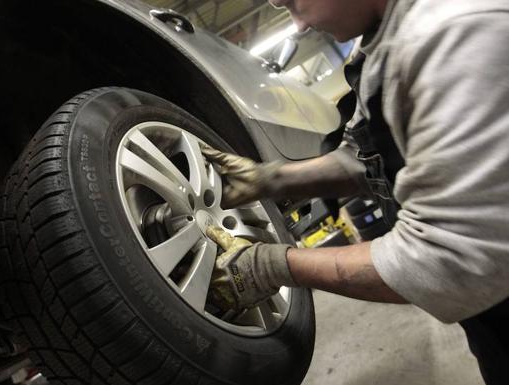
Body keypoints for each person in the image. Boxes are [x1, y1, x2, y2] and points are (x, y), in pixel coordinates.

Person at [201, 0, 509, 384]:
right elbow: (365, 156)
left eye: (293, 1)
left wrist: (274, 265)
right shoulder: (381, 45)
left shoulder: (454, 34)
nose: (295, 26)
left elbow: (453, 261)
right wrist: (270, 179)